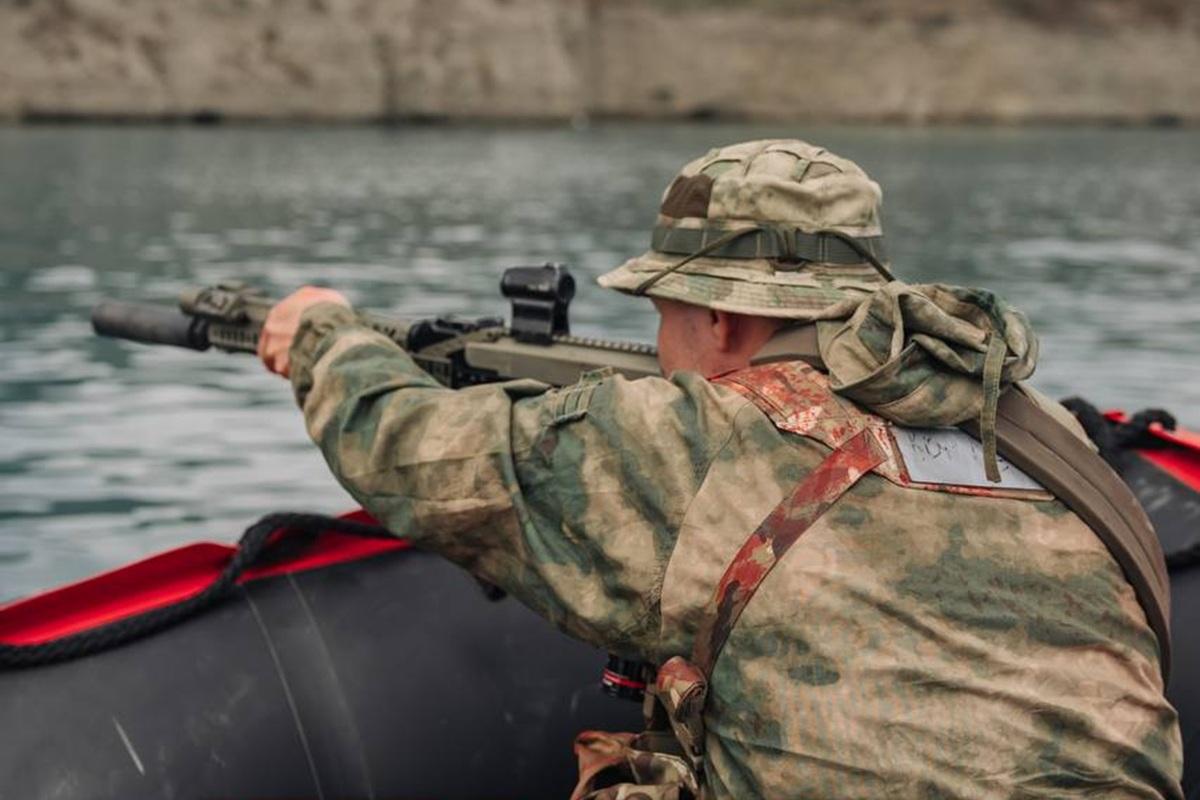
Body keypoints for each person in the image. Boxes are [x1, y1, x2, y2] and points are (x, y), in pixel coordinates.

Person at [257, 140, 1182, 798]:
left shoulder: (696, 438)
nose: (659, 345)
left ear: (725, 321)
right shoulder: (1049, 434)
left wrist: (325, 337)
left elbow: (410, 451)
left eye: (664, 311)